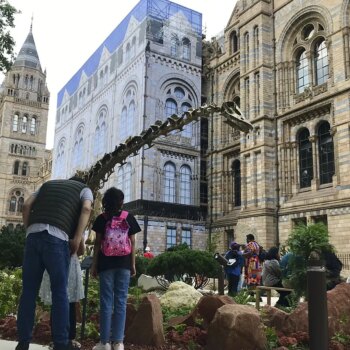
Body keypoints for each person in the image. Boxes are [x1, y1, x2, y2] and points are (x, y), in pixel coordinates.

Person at [16, 176, 93, 350]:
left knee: (28, 292)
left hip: (33, 236)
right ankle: (61, 343)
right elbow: (86, 209)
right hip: (57, 238)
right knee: (60, 292)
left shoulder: (47, 185)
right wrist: (78, 237)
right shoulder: (85, 190)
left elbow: (27, 205)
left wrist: (29, 232)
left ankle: (23, 343)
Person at [91, 187, 141, 350]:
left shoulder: (102, 218)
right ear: (121, 201)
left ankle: (104, 342)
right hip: (124, 264)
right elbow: (132, 243)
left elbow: (98, 244)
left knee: (106, 301)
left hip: (106, 264)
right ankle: (118, 342)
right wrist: (132, 264)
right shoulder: (129, 217)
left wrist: (94, 265)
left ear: (106, 201)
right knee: (121, 301)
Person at [39, 238, 86, 349]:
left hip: (55, 262)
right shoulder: (75, 228)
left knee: (57, 302)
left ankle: (56, 338)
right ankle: (70, 338)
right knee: (70, 303)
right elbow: (81, 251)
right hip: (71, 264)